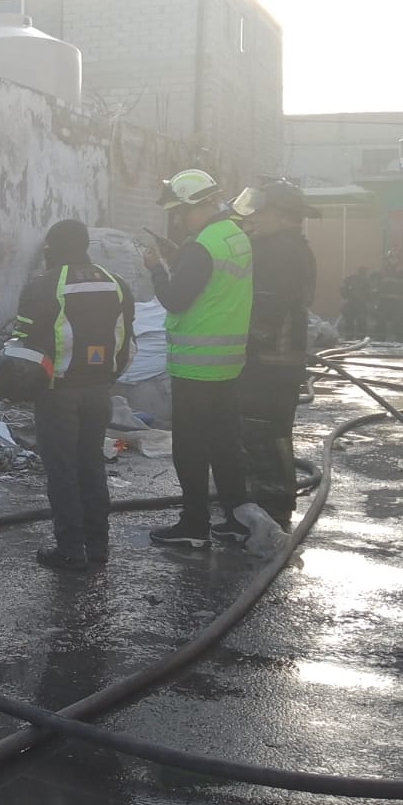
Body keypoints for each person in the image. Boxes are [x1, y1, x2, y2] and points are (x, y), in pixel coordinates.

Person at [8, 219, 135, 570]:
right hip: (99, 391)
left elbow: (23, 344)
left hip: (57, 392)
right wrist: (105, 377)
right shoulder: (117, 284)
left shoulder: (44, 285)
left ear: (52, 248)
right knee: (91, 464)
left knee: (62, 470)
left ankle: (69, 549)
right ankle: (98, 546)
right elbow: (125, 344)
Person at [142, 169, 253, 548]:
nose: (178, 219)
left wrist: (157, 269)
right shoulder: (234, 237)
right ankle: (238, 520)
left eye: (180, 211)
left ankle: (193, 525)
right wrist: (182, 258)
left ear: (199, 205)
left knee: (189, 447)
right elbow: (213, 286)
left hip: (195, 365)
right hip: (228, 363)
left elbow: (175, 299)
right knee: (225, 444)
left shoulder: (201, 245)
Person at [216, 180, 318, 542]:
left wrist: (241, 344)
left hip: (268, 359)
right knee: (267, 431)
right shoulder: (285, 247)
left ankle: (268, 508)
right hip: (276, 358)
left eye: (261, 212)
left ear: (280, 214)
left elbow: (267, 308)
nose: (253, 218)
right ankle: (267, 504)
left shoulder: (278, 252)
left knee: (260, 432)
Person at [372, 256, 403, 341]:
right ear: (388, 260)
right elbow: (378, 282)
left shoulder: (401, 271)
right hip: (384, 299)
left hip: (397, 300)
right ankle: (380, 339)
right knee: (381, 320)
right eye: (392, 258)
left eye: (395, 258)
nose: (393, 260)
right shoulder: (384, 270)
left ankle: (398, 338)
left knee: (398, 320)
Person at [339, 266, 372, 339]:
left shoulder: (350, 278)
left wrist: (345, 296)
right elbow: (369, 293)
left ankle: (349, 339)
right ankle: (359, 339)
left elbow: (342, 288)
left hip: (351, 303)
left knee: (350, 323)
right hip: (359, 304)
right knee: (361, 324)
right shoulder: (365, 280)